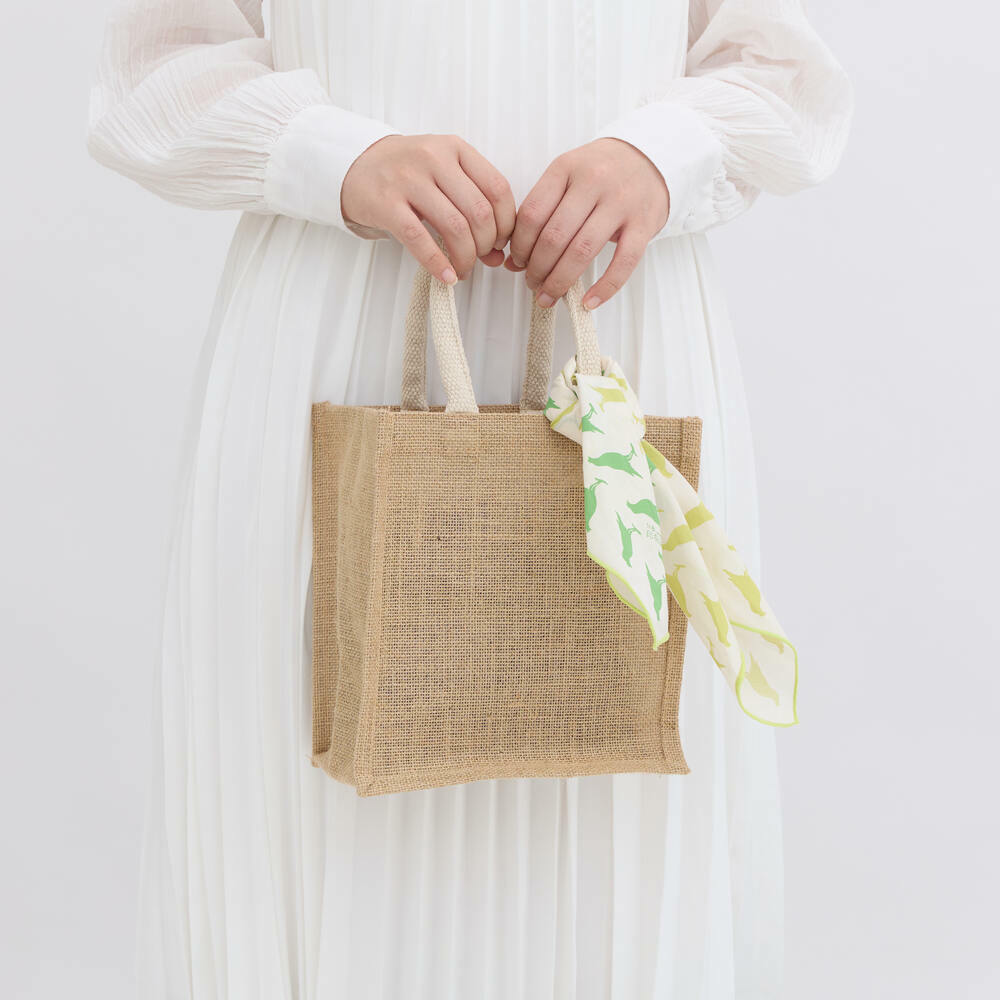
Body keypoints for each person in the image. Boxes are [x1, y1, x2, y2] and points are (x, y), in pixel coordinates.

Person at [87, 1, 851, 996]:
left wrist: (661, 155)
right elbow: (149, 71)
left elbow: (786, 73)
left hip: (616, 327)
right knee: (313, 761)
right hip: (340, 335)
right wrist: (337, 155)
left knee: (616, 791)